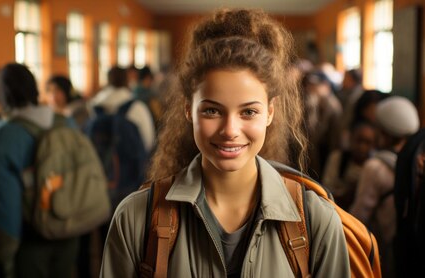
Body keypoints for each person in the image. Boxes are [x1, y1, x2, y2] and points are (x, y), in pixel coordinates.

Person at [100, 9, 349, 277]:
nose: (230, 130)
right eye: (212, 110)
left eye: (248, 111)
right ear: (188, 109)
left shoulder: (315, 221)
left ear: (270, 112)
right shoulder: (136, 218)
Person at [0, 63, 79, 278]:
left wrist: (4, 256)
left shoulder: (2, 138)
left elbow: (5, 205)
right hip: (69, 227)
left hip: (30, 240)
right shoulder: (64, 122)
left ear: (2, 94)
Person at [350, 96, 420, 278]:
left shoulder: (375, 167)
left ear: (383, 133)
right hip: (413, 245)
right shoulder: (418, 163)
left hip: (386, 248)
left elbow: (360, 216)